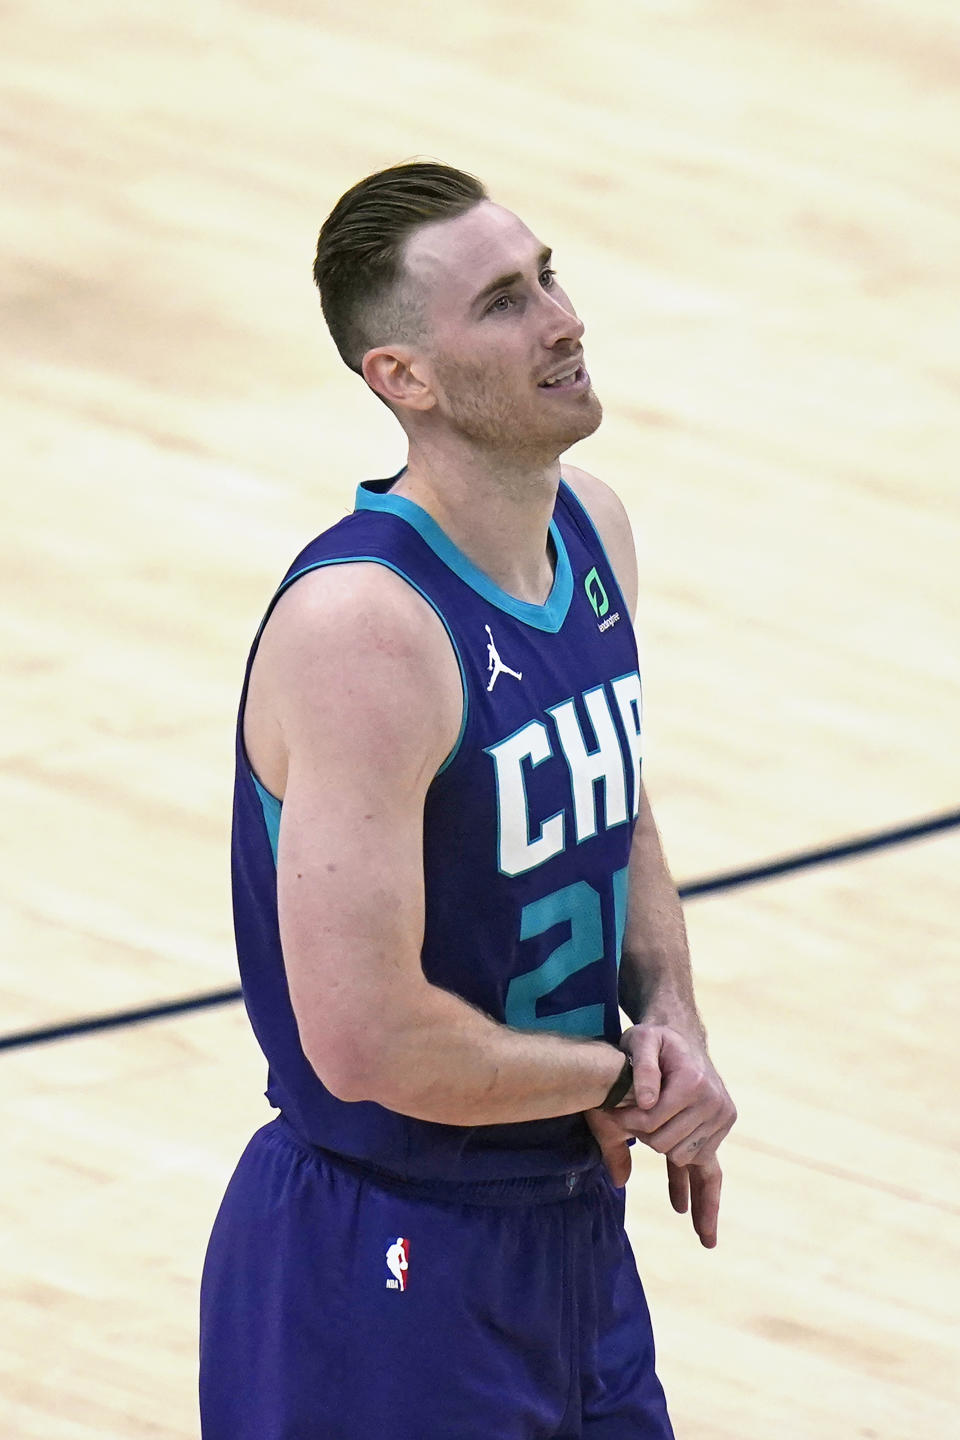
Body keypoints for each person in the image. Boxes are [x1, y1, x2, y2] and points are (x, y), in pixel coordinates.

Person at [199, 160, 736, 1439]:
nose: (563, 318)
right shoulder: (363, 630)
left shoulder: (590, 528)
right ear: (403, 379)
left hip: (567, 1236)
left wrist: (674, 1022)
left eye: (548, 274)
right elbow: (369, 1041)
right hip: (384, 1258)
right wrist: (621, 1078)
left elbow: (622, 808)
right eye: (504, 301)